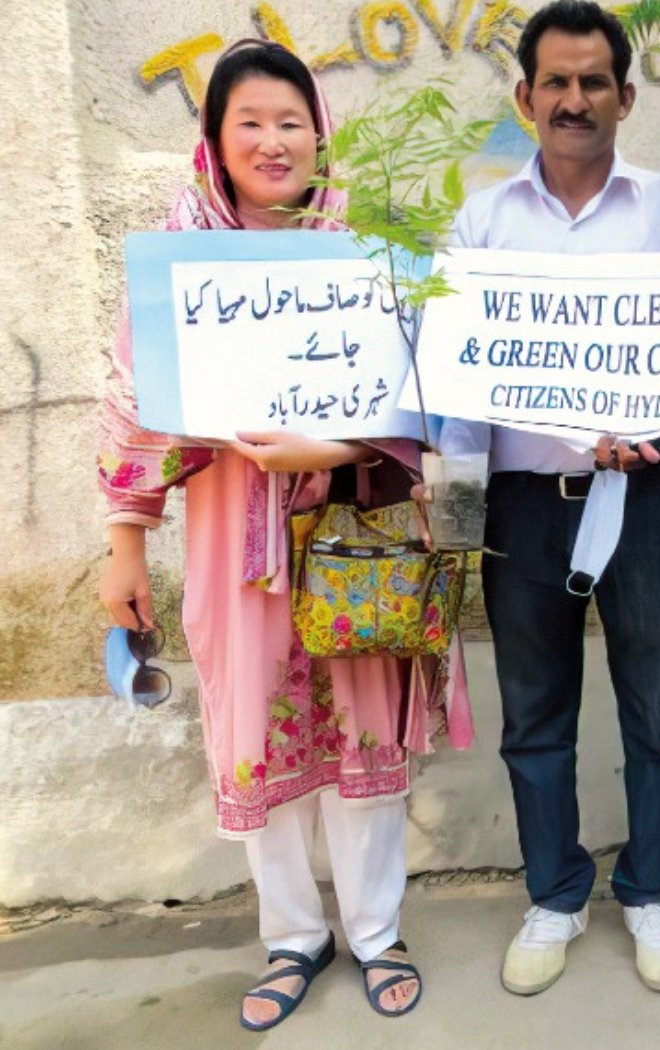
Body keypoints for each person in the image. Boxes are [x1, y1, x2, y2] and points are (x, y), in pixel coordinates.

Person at [98, 40, 454, 1030]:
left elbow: (427, 392)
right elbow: (135, 407)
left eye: (290, 121)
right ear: (214, 140)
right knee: (256, 734)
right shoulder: (179, 259)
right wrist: (125, 540)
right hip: (229, 542)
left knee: (361, 730)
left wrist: (331, 445)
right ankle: (292, 937)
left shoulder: (367, 248)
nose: (271, 140)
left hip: (355, 534)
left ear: (320, 134)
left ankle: (377, 932)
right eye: (249, 121)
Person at [443, 0, 660, 995]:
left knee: (653, 710)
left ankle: (650, 890)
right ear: (523, 96)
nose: (572, 100)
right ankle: (554, 894)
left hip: (643, 498)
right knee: (534, 715)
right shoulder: (481, 220)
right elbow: (459, 379)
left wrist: (653, 428)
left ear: (624, 97)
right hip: (522, 503)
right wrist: (456, 517)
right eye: (553, 81)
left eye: (592, 81)